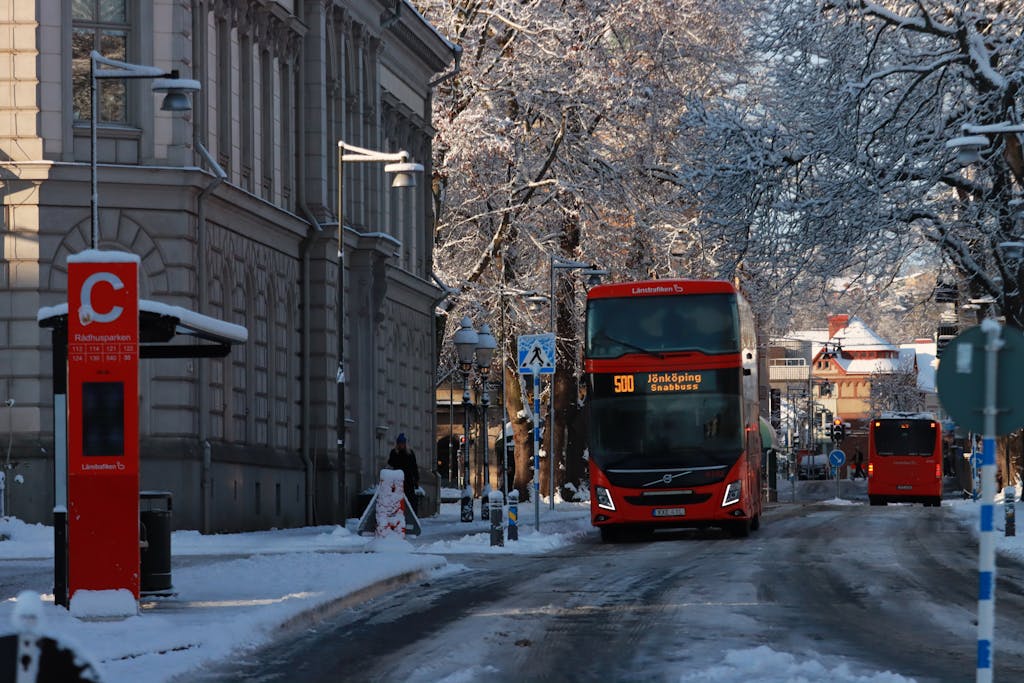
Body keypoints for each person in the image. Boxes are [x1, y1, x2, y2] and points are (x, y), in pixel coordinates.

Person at [388, 433, 420, 513]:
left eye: (402, 443)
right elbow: (391, 464)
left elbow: (414, 467)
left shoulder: (410, 453)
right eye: (400, 443)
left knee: (410, 500)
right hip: (397, 481)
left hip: (408, 481)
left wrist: (416, 480)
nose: (401, 445)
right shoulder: (394, 453)